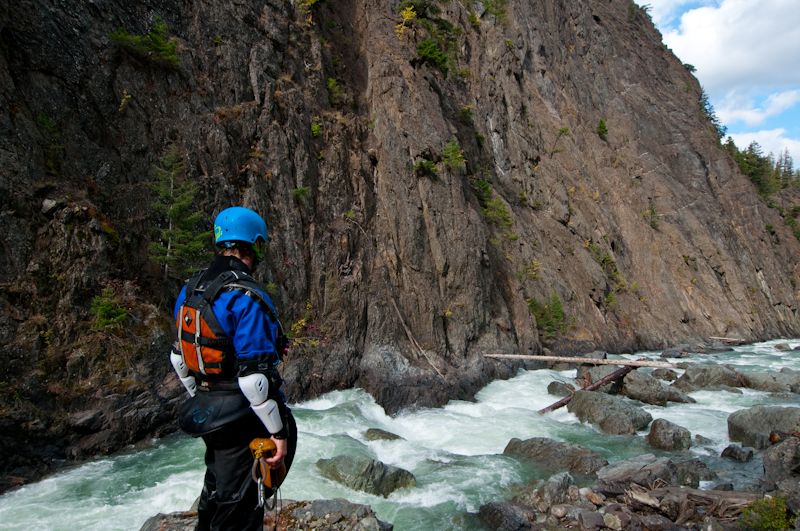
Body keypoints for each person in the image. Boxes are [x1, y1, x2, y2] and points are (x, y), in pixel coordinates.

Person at [170, 206, 296, 531]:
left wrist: (203, 399)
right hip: (242, 414)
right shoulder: (247, 296)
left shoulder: (190, 289)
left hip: (208, 408)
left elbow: (179, 359)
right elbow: (256, 379)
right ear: (256, 244)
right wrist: (278, 434)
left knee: (216, 484)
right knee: (239, 502)